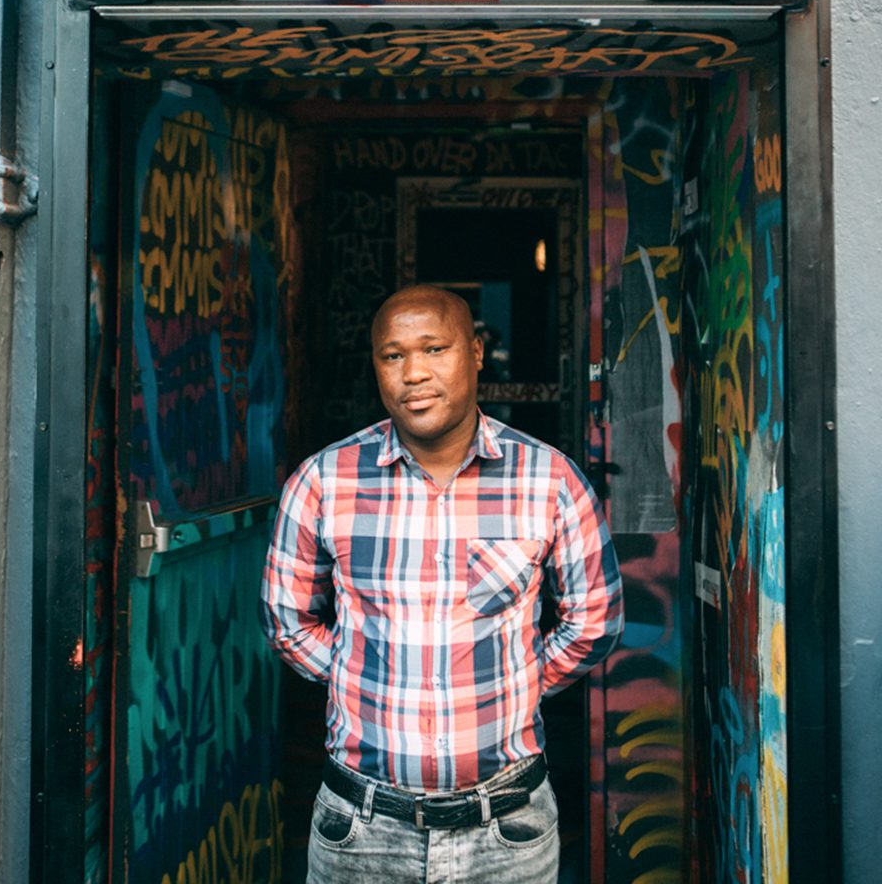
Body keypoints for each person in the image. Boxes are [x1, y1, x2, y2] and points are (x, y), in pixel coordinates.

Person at [262, 285, 623, 883]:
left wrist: (516, 682)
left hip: (508, 829)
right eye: (393, 355)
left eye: (435, 348)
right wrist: (367, 671)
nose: (414, 373)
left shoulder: (549, 479)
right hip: (361, 828)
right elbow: (287, 621)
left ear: (476, 353)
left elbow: (594, 619)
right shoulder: (323, 481)